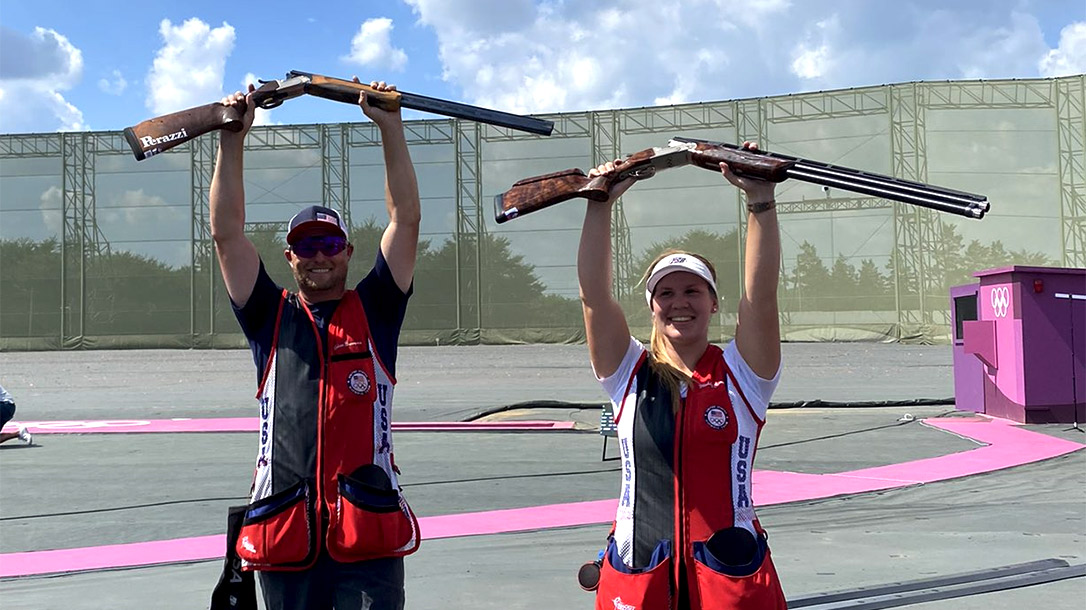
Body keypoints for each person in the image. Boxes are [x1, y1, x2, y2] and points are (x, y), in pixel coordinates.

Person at [208, 79, 421, 610]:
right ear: (289, 257)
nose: (318, 255)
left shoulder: (376, 309)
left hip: (366, 539)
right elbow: (226, 234)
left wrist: (390, 128)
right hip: (286, 536)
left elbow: (406, 220)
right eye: (306, 246)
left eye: (328, 243)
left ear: (348, 251)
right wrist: (231, 140)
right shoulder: (268, 315)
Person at [578, 143, 787, 609]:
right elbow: (594, 296)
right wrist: (600, 203)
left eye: (693, 290)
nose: (679, 302)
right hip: (640, 572)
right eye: (665, 292)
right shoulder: (626, 372)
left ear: (713, 302)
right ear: (651, 308)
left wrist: (760, 202)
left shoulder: (743, 374)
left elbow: (762, 296)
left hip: (729, 575)